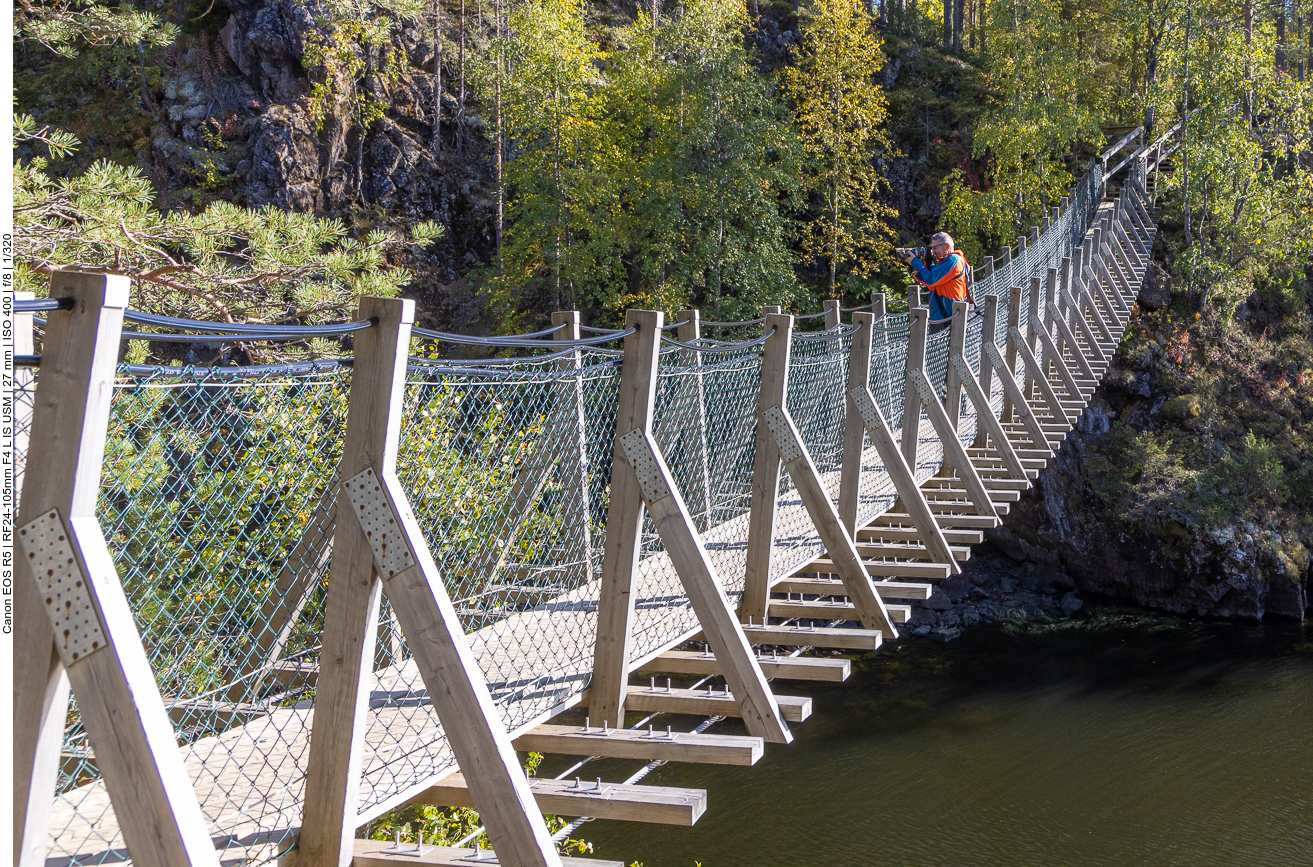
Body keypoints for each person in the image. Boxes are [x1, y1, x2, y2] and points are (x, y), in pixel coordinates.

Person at [900, 231, 971, 323]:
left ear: (947, 246)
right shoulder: (950, 260)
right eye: (932, 248)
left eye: (935, 248)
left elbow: (931, 280)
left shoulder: (953, 260)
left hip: (948, 317)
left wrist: (915, 262)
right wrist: (928, 260)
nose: (932, 251)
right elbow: (935, 281)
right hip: (945, 315)